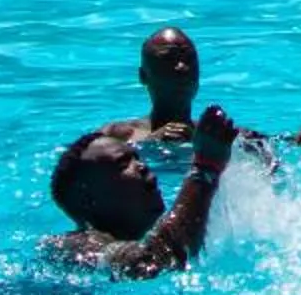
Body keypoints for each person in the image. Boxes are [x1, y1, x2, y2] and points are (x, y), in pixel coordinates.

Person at [46, 106, 239, 279]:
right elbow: (148, 264)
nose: (141, 166)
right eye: (123, 163)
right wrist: (205, 169)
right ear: (87, 199)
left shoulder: (118, 245)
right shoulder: (72, 246)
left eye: (137, 158)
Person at [96, 26, 301, 161]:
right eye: (169, 59)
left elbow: (273, 145)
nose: (182, 68)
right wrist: (151, 143)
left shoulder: (220, 134)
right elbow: (74, 166)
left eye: (189, 60)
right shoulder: (119, 134)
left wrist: (297, 139)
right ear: (143, 76)